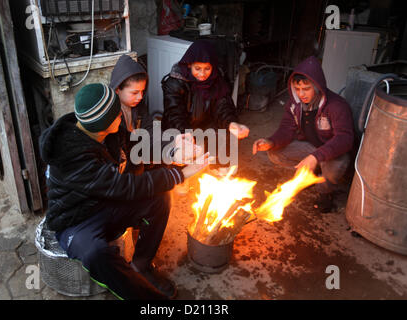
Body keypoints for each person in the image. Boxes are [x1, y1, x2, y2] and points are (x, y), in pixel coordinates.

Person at [39, 83, 210, 300]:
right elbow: (125, 187)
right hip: (76, 220)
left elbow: (137, 147)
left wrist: (173, 151)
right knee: (95, 254)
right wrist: (180, 174)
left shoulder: (106, 131)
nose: (121, 115)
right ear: (103, 123)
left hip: (105, 202)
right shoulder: (72, 157)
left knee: (159, 199)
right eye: (116, 113)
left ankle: (141, 264)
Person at [252, 56, 355, 213]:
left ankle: (325, 192)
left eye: (306, 89)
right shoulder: (295, 104)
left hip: (333, 151)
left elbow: (345, 138)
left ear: (317, 86)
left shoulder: (336, 106)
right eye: (297, 88)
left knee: (336, 165)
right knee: (275, 152)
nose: (301, 94)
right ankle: (312, 176)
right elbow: (286, 129)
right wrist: (270, 141)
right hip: (312, 147)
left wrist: (315, 157)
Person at [161, 39, 249, 176]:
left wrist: (232, 123)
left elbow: (223, 106)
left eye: (207, 68)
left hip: (204, 126)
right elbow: (174, 113)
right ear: (189, 65)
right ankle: (179, 176)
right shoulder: (175, 82)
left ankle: (218, 171)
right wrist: (185, 133)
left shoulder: (216, 80)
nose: (202, 74)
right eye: (198, 69)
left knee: (226, 131)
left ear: (213, 66)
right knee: (181, 147)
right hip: (180, 128)